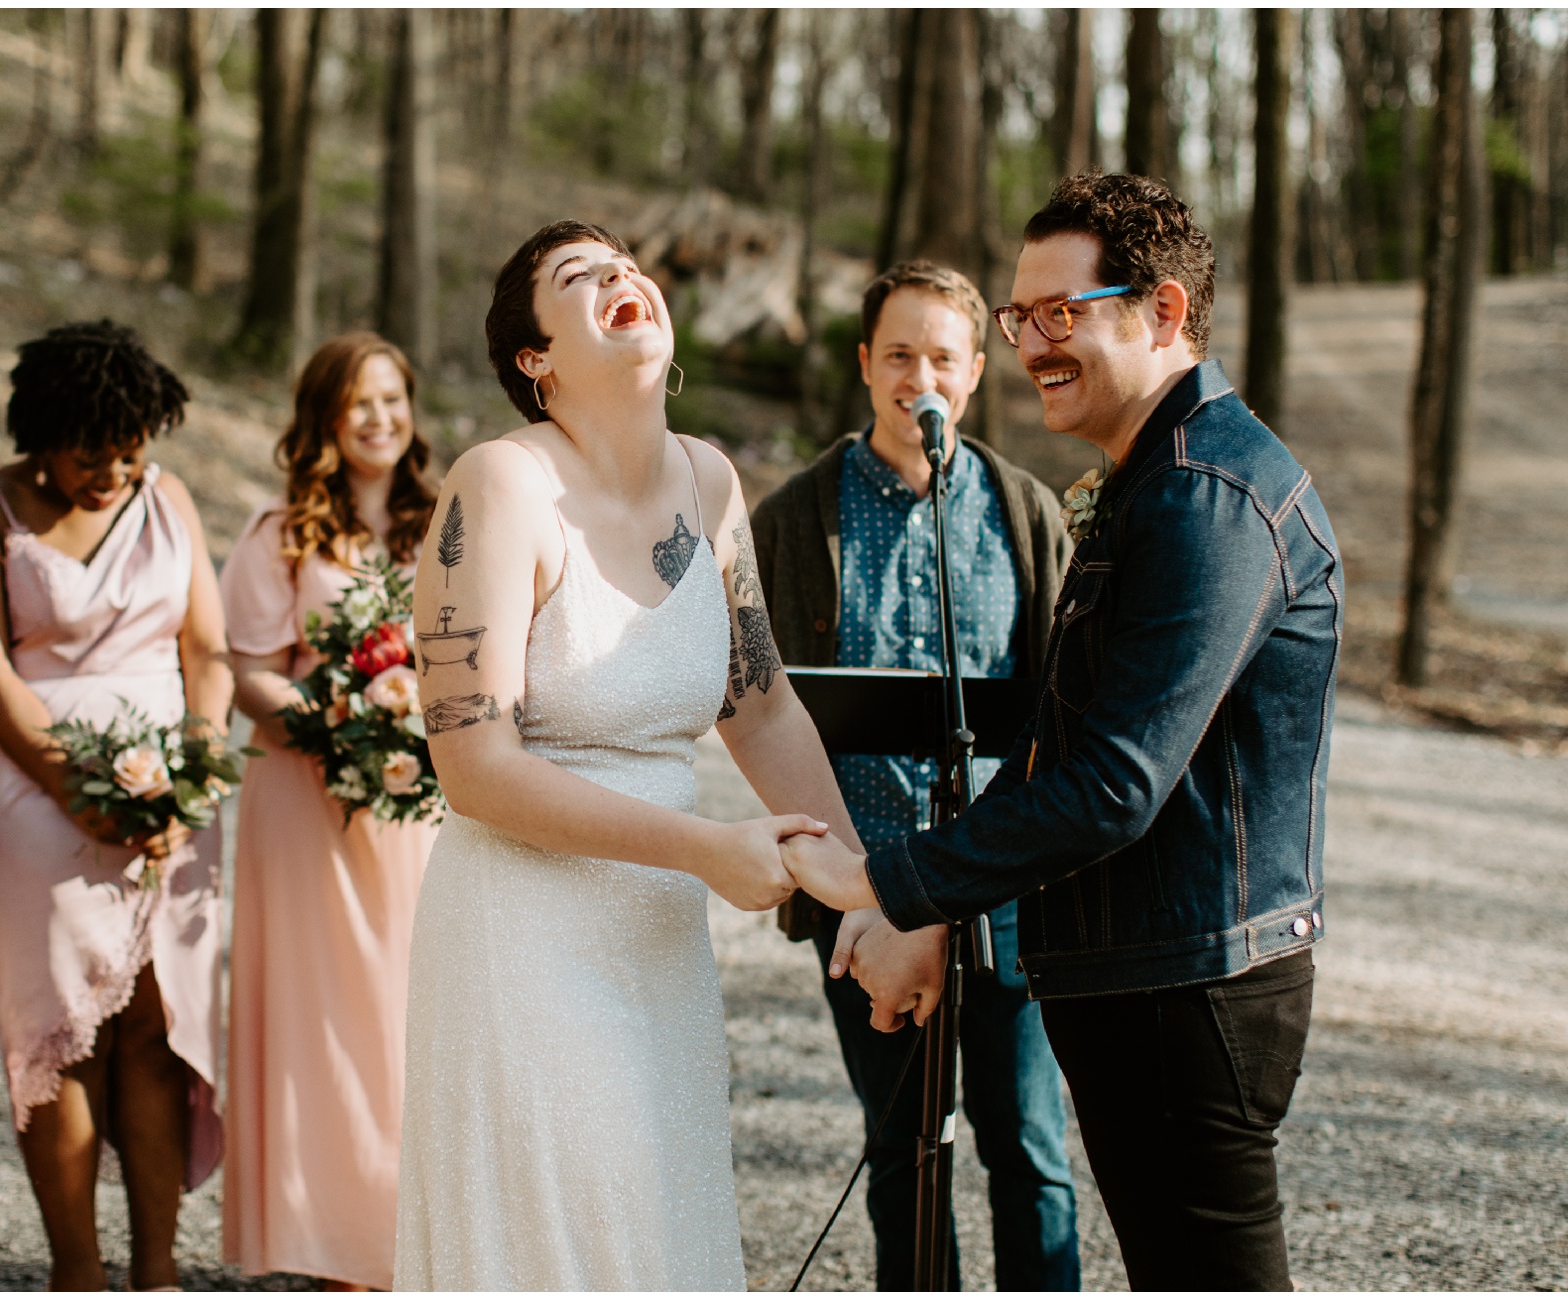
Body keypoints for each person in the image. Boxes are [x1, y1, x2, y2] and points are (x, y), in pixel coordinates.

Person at [785, 172, 1340, 1291]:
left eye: (1060, 314)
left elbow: (1112, 783)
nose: (1034, 344)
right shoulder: (1148, 483)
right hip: (1138, 978)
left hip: (1190, 989)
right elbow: (1053, 744)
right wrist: (932, 906)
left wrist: (891, 883)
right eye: (1020, 316)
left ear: (1164, 311)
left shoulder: (1206, 496)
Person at [392, 220, 862, 1291]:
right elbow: (474, 765)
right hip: (521, 941)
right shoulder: (498, 485)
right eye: (580, 275)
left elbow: (763, 710)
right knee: (560, 1244)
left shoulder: (711, 483)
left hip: (659, 946)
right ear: (536, 358)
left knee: (659, 1232)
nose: (620, 275)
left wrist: (868, 894)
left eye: (625, 263)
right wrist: (705, 847)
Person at [750, 261, 1080, 1291]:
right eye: (898, 355)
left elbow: (1063, 712)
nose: (919, 378)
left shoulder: (1027, 514)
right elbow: (762, 712)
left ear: (976, 371)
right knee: (902, 1144)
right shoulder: (792, 522)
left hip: (1005, 889)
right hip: (860, 894)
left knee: (1026, 1142)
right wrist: (854, 883)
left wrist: (984, 870)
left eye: (942, 357)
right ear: (864, 364)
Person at [0, 320, 232, 1291]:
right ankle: (79, 1275)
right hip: (36, 800)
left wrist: (194, 769)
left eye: (130, 451)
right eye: (88, 454)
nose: (113, 473)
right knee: (60, 1036)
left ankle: (158, 1274)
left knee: (154, 1034)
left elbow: (206, 651)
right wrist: (73, 785)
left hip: (170, 800)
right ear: (42, 435)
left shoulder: (168, 498)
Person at [219, 332, 439, 1292]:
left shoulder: (446, 522)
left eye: (392, 399)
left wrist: (414, 728)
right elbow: (247, 672)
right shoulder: (281, 532)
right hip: (304, 799)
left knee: (405, 1012)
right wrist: (337, 721)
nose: (379, 419)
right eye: (358, 403)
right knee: (319, 1015)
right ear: (324, 419)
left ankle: (406, 1234)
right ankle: (327, 1247)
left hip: (413, 804)